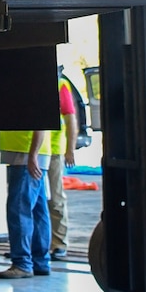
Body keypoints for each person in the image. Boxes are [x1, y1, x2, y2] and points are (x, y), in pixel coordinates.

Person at [0, 124, 54, 280]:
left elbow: (40, 121)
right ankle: (40, 262)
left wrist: (32, 155)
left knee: (19, 210)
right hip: (26, 154)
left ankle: (22, 263)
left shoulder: (33, 98)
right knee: (38, 211)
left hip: (25, 155)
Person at [48, 68, 82, 261]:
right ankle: (43, 244)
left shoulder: (61, 85)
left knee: (55, 198)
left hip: (53, 150)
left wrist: (70, 149)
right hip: (35, 150)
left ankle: (59, 244)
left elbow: (70, 120)